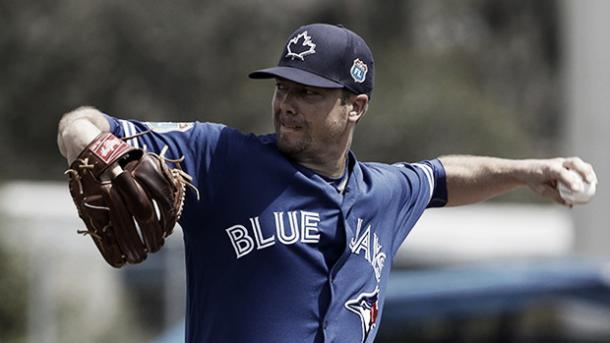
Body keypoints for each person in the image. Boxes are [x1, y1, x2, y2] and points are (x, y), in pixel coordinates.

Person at [57, 23, 597, 343]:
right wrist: (100, 149)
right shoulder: (222, 157)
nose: (287, 102)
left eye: (310, 92)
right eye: (283, 87)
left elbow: (443, 177)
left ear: (355, 106)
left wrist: (529, 172)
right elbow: (81, 123)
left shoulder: (382, 193)